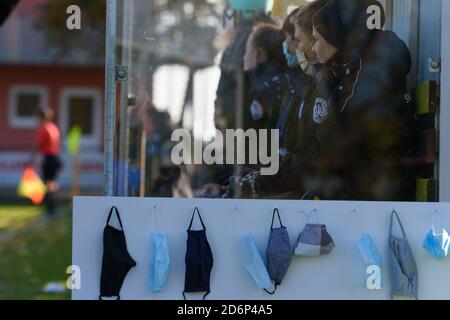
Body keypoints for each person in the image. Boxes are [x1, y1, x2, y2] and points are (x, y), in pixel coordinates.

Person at [239, 0, 418, 201]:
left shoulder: (368, 78)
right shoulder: (342, 76)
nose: (313, 49)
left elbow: (330, 152)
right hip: (350, 192)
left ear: (337, 38)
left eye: (317, 39)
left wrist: (265, 182)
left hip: (366, 200)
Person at [30, 108, 62, 216]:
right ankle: (54, 206)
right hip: (55, 157)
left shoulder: (44, 128)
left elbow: (38, 145)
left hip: (49, 158)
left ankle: (50, 209)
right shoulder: (54, 128)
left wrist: (31, 159)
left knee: (48, 184)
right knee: (53, 183)